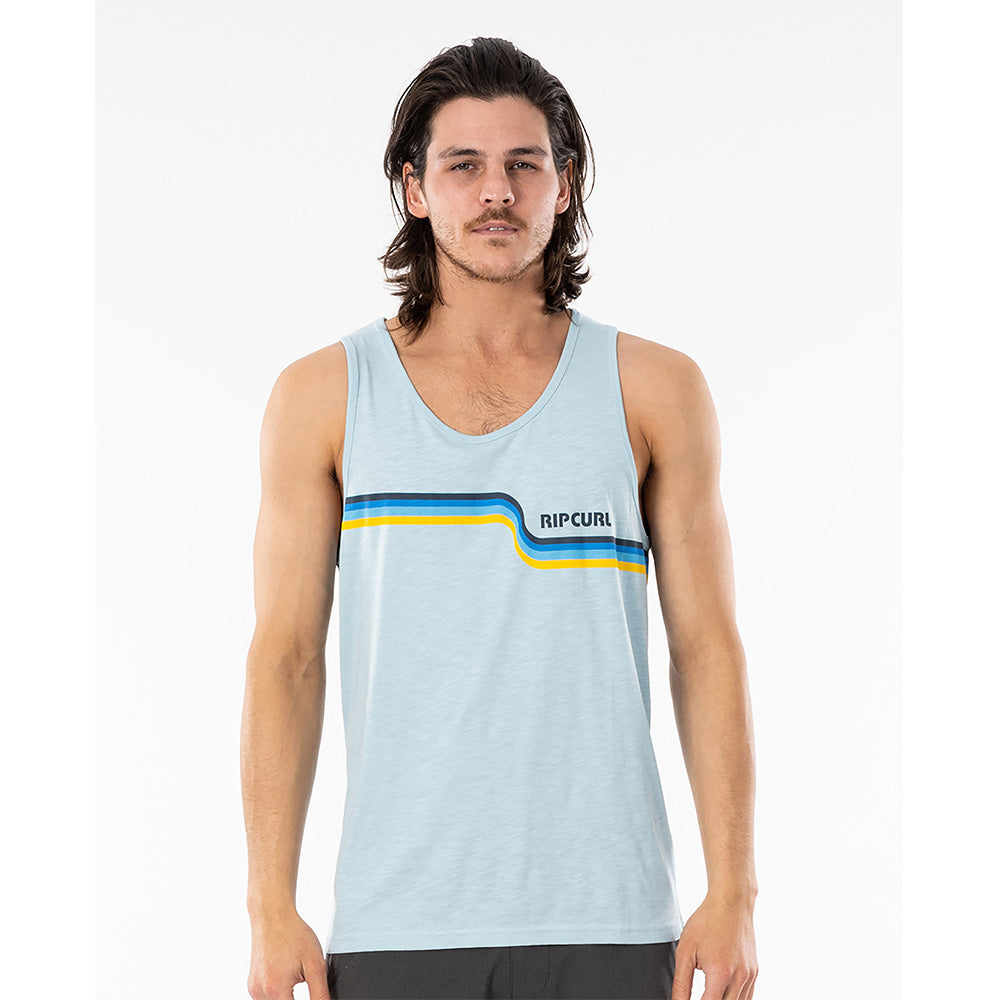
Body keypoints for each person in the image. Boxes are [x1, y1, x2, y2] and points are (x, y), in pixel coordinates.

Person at [241, 36, 758, 1000]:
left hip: (611, 919)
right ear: (413, 188)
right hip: (398, 921)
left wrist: (735, 891)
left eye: (525, 163)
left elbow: (708, 650)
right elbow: (287, 659)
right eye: (463, 165)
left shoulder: (654, 390)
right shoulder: (323, 397)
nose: (496, 192)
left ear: (565, 184)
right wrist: (270, 905)